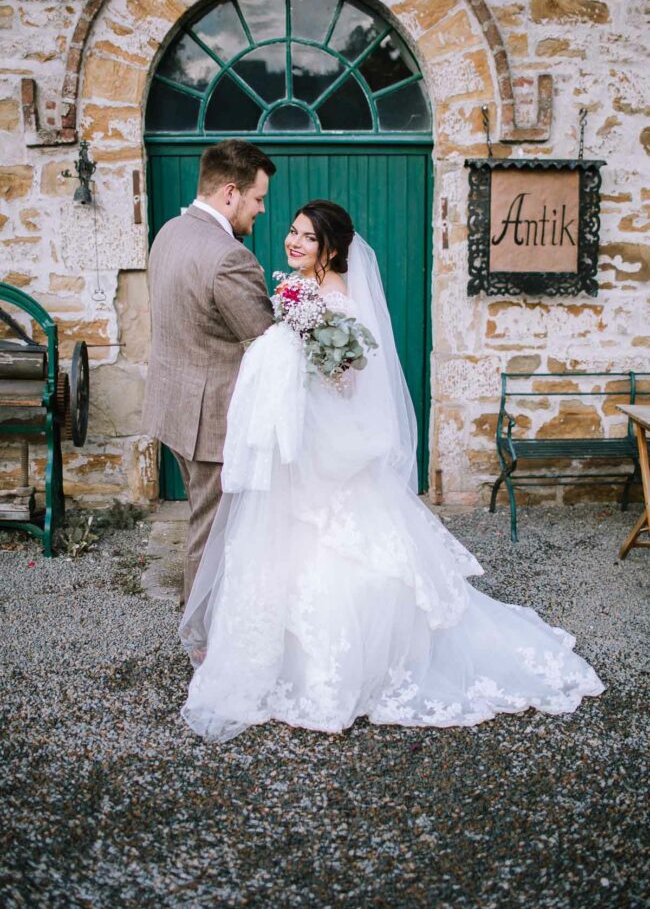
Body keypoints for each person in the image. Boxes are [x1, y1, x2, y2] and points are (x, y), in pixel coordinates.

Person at [179, 200, 604, 742]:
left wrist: (295, 373)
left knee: (341, 556)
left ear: (330, 249)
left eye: (307, 238)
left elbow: (348, 386)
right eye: (291, 232)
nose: (293, 242)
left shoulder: (341, 306)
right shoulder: (297, 293)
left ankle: (351, 672)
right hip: (299, 447)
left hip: (328, 448)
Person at [142, 140, 276, 606]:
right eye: (258, 199)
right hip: (212, 419)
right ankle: (200, 630)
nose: (260, 210)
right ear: (231, 193)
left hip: (173, 405)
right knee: (214, 524)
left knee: (203, 513)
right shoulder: (229, 257)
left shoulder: (169, 232)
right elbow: (266, 340)